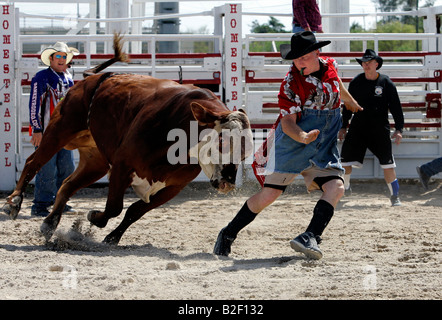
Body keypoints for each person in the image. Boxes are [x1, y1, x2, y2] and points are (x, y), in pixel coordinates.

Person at [214, 31, 362, 260]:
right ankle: (228, 233)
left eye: (303, 57)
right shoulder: (290, 84)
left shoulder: (330, 65)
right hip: (294, 145)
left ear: (317, 53)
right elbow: (288, 122)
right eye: (295, 58)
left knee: (336, 188)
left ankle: (310, 236)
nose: (299, 62)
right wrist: (302, 136)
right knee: (269, 195)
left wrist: (350, 100)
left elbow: (336, 80)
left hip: (323, 146)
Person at [338, 49, 404, 206]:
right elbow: (347, 106)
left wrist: (399, 129)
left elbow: (396, 108)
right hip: (358, 127)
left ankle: (395, 195)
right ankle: (344, 188)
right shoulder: (356, 82)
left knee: (388, 164)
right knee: (345, 162)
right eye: (364, 63)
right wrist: (343, 126)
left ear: (376, 64)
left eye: (369, 62)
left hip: (380, 128)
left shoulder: (386, 83)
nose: (366, 65)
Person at [29, 42, 79, 217]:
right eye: (58, 56)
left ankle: (61, 202)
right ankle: (41, 205)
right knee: (47, 168)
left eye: (64, 56)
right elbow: (34, 104)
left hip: (63, 133)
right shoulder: (41, 77)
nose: (61, 59)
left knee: (67, 167)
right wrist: (37, 128)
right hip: (47, 132)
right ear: (50, 59)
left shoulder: (68, 78)